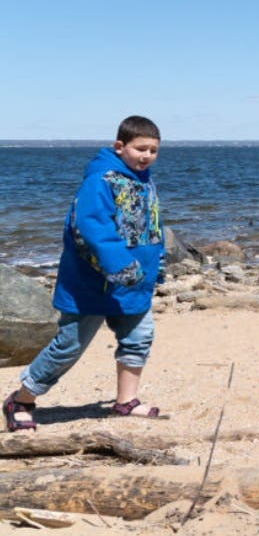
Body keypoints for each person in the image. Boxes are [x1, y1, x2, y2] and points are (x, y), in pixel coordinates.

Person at [4, 116, 166, 432]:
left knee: (138, 337)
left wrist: (155, 264)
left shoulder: (142, 180)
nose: (147, 156)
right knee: (68, 346)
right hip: (92, 282)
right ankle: (21, 400)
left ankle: (126, 401)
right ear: (120, 147)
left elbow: (151, 226)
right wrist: (121, 265)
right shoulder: (100, 180)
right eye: (140, 148)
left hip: (134, 283)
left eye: (153, 150)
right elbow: (91, 227)